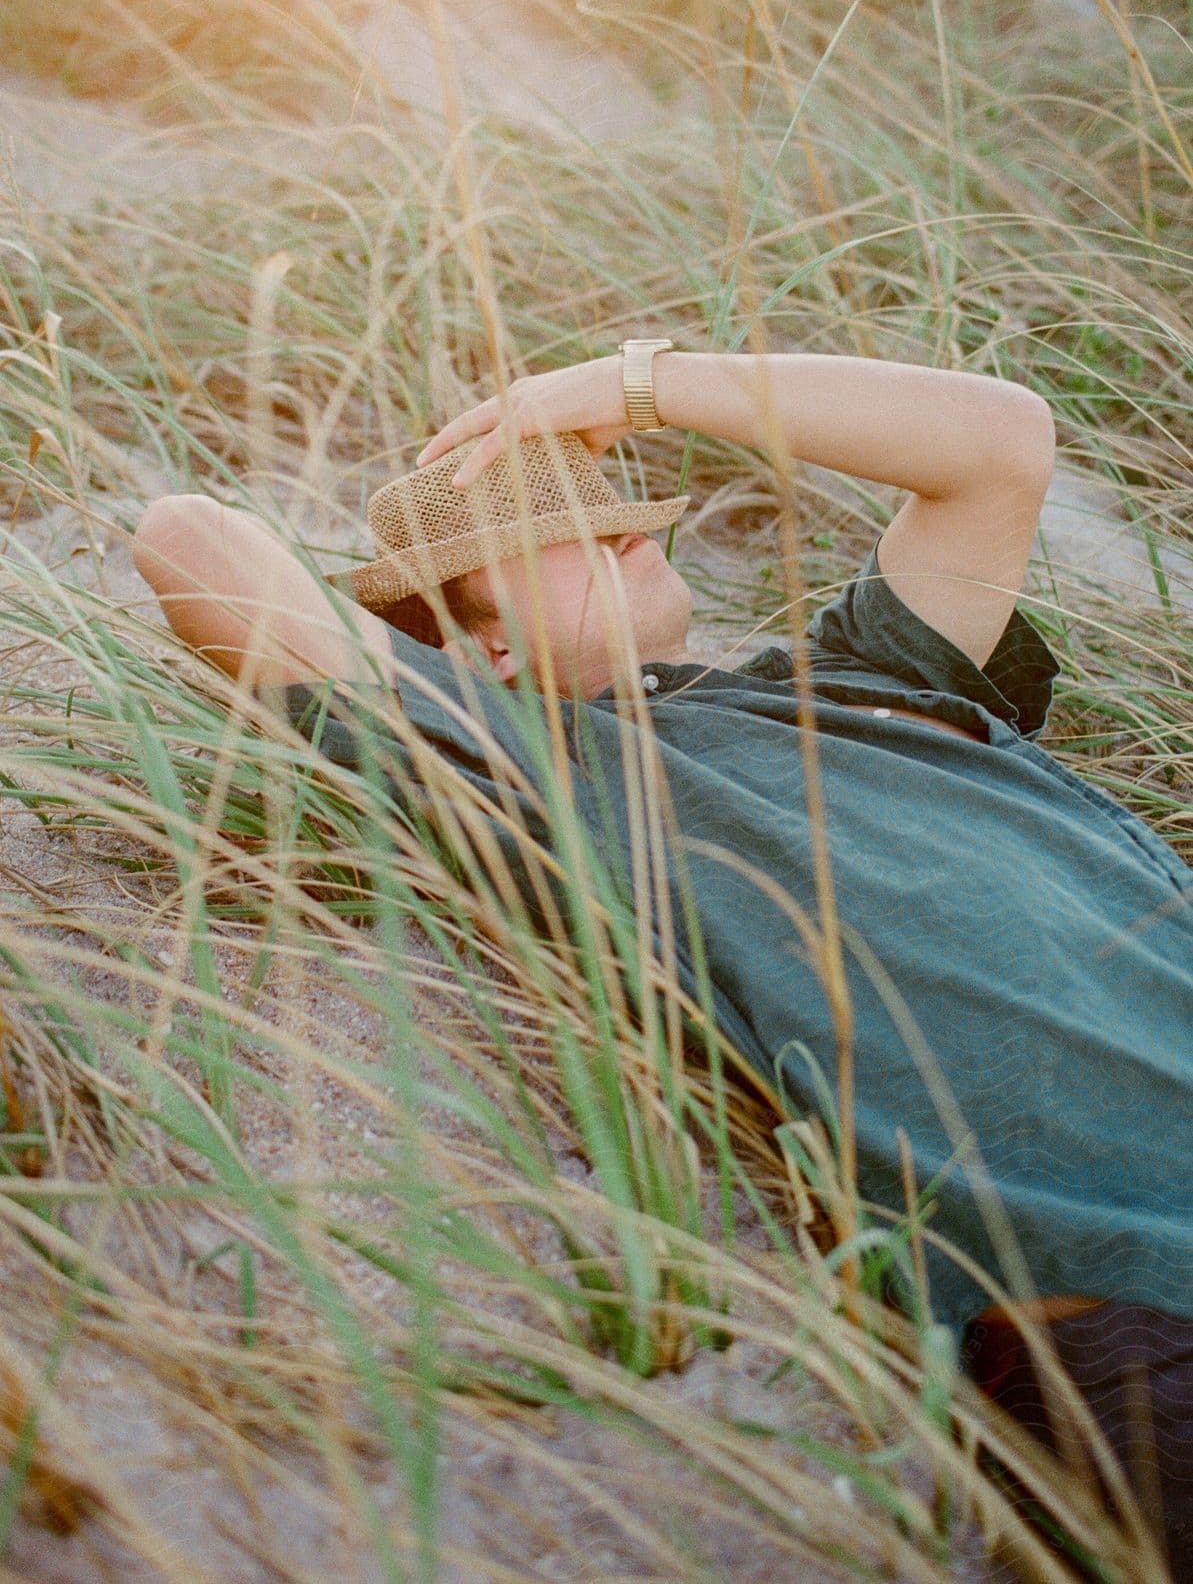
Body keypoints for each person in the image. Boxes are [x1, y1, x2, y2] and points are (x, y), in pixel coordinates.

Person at [132, 345, 1193, 1572]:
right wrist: (404, 638)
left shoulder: (865, 677)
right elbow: (184, 536)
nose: (614, 529)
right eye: (552, 538)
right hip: (1135, 1304)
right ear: (481, 656)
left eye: (611, 512)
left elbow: (998, 444)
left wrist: (628, 387)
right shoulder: (532, 772)